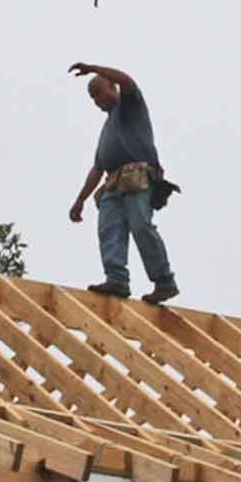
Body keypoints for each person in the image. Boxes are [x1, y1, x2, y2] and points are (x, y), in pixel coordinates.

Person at [67, 62, 179, 305]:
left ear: (112, 87)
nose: (97, 100)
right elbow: (97, 168)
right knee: (109, 229)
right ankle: (116, 279)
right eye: (93, 98)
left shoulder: (130, 105)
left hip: (138, 178)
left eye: (99, 93)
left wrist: (94, 68)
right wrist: (80, 201)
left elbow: (127, 79)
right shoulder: (107, 128)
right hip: (114, 183)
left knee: (140, 224)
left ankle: (164, 281)